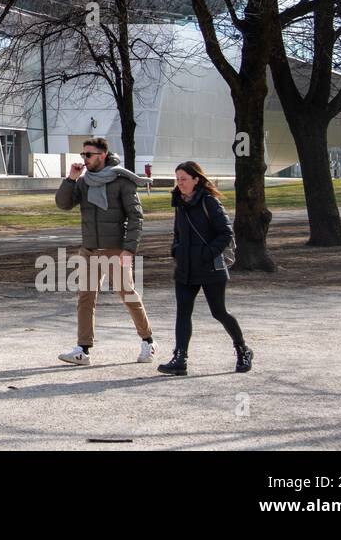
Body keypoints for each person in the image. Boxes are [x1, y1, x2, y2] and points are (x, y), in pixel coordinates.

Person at [55, 137, 157, 366]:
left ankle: (148, 341)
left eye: (88, 155)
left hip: (115, 250)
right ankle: (83, 349)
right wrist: (71, 179)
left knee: (128, 295)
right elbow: (63, 204)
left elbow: (135, 217)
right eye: (82, 155)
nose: (84, 159)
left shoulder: (121, 181)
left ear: (102, 155)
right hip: (89, 249)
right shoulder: (83, 182)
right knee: (85, 298)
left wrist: (129, 249)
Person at [159, 161, 252, 376]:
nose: (180, 183)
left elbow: (226, 233)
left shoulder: (209, 202)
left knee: (218, 312)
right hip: (185, 267)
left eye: (184, 179)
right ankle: (180, 357)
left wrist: (207, 253)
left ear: (196, 180)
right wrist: (176, 249)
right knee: (183, 312)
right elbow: (178, 232)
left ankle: (243, 350)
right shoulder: (179, 202)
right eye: (177, 179)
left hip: (210, 268)